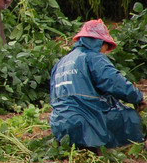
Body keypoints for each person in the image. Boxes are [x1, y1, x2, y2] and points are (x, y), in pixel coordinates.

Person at [49, 20, 145, 152]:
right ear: (100, 42)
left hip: (60, 125)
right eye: (107, 47)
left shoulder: (60, 63)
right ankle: (122, 148)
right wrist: (138, 98)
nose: (105, 52)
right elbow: (114, 82)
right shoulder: (93, 57)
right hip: (86, 122)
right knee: (129, 116)